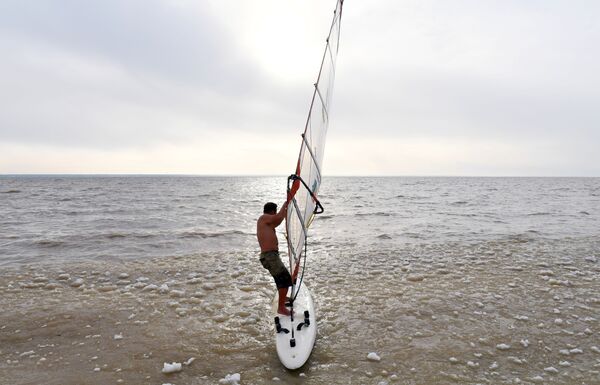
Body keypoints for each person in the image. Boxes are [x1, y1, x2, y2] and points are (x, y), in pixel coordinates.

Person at [256, 200, 293, 315]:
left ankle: (283, 299)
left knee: (281, 279)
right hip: (269, 256)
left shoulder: (267, 223)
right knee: (285, 279)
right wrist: (286, 204)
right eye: (275, 212)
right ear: (272, 211)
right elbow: (278, 219)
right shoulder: (263, 218)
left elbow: (277, 220)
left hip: (271, 256)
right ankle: (281, 307)